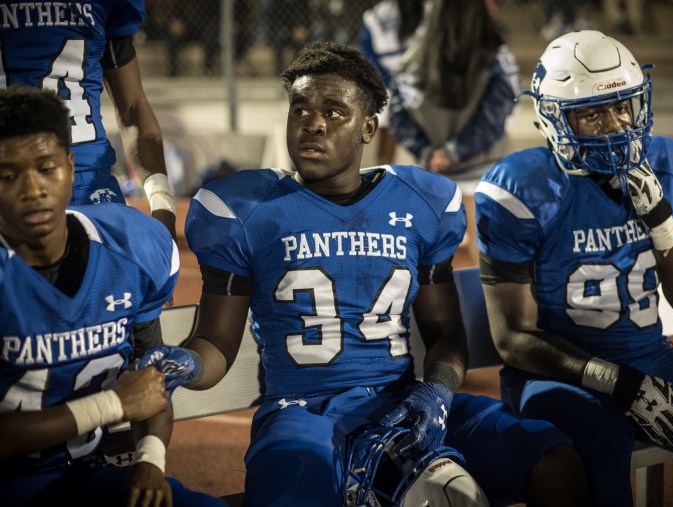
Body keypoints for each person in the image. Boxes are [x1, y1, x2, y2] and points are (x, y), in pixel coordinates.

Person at [138, 41, 588, 507]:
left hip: (405, 402)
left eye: (335, 112)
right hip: (303, 415)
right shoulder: (246, 210)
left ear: (368, 127)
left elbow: (447, 334)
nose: (313, 123)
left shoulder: (419, 203)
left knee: (553, 461)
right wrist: (187, 363)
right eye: (301, 109)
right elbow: (216, 343)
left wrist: (436, 392)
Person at [475, 29, 673, 506]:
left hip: (653, 357)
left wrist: (661, 221)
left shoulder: (671, 166)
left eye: (623, 106)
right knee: (593, 459)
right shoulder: (523, 187)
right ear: (554, 119)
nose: (615, 124)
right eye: (592, 112)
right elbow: (512, 339)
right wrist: (619, 383)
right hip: (558, 376)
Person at [0, 86, 223, 507]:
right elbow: (125, 399)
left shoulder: (131, 248)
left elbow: (149, 383)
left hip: (84, 478)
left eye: (46, 168)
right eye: (8, 175)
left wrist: (150, 461)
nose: (33, 189)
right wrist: (109, 405)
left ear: (70, 166)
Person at [0, 0, 177, 240]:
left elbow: (132, 106)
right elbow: (132, 107)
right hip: (12, 179)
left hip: (87, 180)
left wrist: (162, 203)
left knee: (118, 272)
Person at [388, 0, 520, 267]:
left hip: (433, 179)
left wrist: (428, 152)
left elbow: (398, 115)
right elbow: (496, 114)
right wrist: (455, 151)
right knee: (488, 260)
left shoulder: (413, 57)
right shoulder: (496, 55)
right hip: (483, 176)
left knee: (438, 261)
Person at [358, 0, 430, 165]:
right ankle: (383, 168)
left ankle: (428, 166)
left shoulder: (429, 9)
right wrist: (387, 80)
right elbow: (366, 55)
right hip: (388, 81)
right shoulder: (375, 15)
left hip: (420, 79)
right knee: (385, 115)